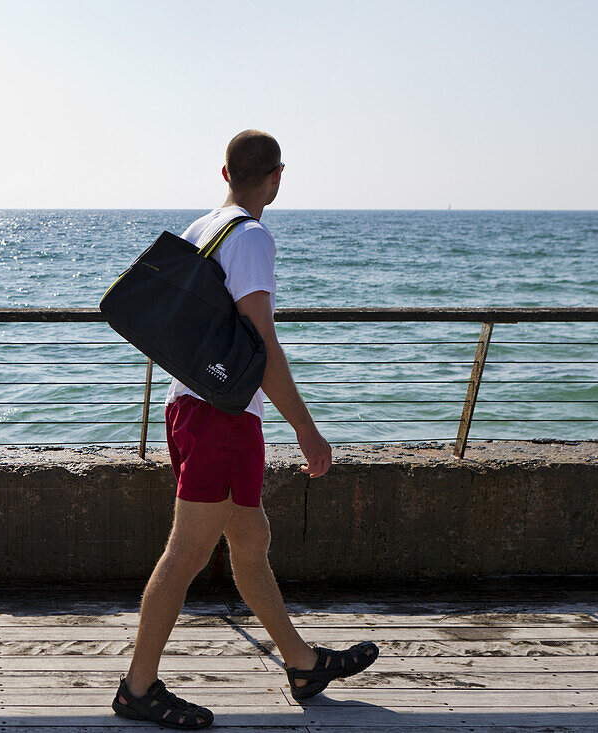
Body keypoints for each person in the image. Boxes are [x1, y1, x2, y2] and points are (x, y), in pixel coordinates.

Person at [111, 130, 379, 729]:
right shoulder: (252, 238)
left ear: (225, 173)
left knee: (251, 542)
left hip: (187, 406)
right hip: (224, 420)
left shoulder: (199, 229)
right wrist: (307, 430)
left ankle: (303, 664)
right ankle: (138, 687)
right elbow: (262, 346)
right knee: (184, 554)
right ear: (277, 177)